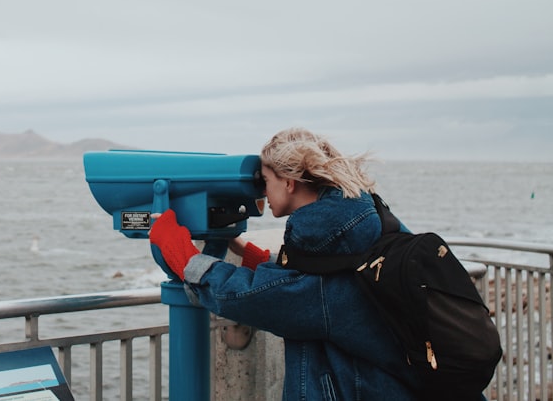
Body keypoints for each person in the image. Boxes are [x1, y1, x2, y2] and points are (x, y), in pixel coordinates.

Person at [149, 127, 421, 401]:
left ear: (289, 182)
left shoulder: (328, 242)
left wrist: (183, 255)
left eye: (265, 180)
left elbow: (248, 298)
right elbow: (314, 283)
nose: (263, 191)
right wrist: (257, 259)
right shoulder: (363, 223)